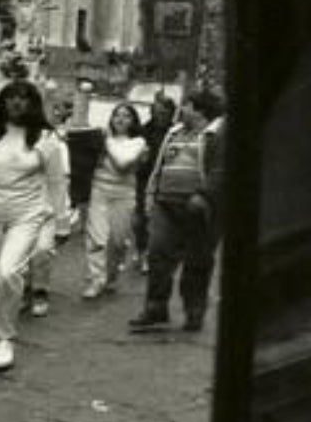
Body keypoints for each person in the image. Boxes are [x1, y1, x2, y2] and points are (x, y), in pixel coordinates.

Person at [0, 78, 69, 371]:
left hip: (26, 215)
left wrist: (61, 223)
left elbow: (57, 184)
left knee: (8, 273)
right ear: (3, 102)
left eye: (24, 98)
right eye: (11, 97)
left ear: (33, 104)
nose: (17, 103)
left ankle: (6, 337)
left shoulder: (45, 138)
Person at [128, 86, 225, 333]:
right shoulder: (174, 132)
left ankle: (194, 311)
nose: (182, 109)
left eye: (187, 105)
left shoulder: (218, 135)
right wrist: (152, 195)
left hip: (199, 208)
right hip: (166, 204)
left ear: (200, 110)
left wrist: (204, 195)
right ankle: (155, 307)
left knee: (197, 261)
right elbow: (160, 166)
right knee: (158, 254)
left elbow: (220, 170)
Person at [81, 101, 147, 299]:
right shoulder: (101, 140)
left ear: (133, 121)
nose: (120, 118)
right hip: (99, 190)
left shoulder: (138, 142)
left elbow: (122, 164)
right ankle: (95, 279)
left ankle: (111, 275)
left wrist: (106, 142)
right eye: (117, 114)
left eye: (126, 115)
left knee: (118, 241)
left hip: (124, 194)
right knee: (97, 238)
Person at [23, 95, 73, 318]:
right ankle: (22, 289)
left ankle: (39, 291)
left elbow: (59, 183)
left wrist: (63, 221)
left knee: (42, 250)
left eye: (55, 110)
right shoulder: (15, 139)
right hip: (17, 207)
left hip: (45, 209)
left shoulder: (55, 145)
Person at [133, 91, 177, 273]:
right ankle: (141, 250)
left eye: (164, 112)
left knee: (157, 221)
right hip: (143, 180)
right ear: (152, 111)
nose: (160, 115)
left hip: (165, 181)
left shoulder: (175, 132)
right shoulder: (142, 131)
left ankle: (150, 255)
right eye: (157, 111)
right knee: (139, 221)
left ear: (171, 113)